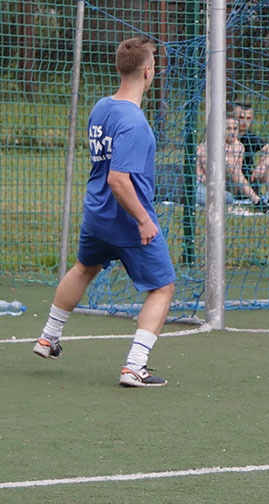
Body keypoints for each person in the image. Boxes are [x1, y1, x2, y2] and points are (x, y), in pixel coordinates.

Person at [33, 36, 176, 387]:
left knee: (84, 268)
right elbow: (118, 179)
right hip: (127, 220)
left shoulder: (102, 107)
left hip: (96, 215)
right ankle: (134, 366)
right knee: (163, 288)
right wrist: (143, 219)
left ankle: (48, 338)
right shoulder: (135, 123)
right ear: (148, 71)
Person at [196, 116, 269, 210]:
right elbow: (198, 174)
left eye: (235, 129)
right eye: (228, 129)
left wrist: (262, 166)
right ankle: (257, 201)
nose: (232, 132)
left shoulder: (239, 147)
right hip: (205, 187)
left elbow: (236, 175)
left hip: (228, 188)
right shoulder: (206, 147)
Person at [231, 102, 269, 205]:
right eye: (241, 117)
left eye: (248, 118)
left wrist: (262, 166)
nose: (244, 122)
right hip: (230, 182)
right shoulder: (224, 137)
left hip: (248, 180)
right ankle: (256, 201)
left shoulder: (251, 138)